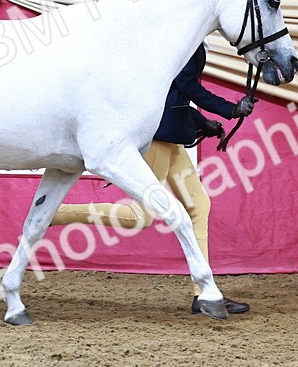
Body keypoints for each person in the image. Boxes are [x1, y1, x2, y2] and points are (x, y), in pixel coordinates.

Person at [50, 42, 254, 316]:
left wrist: (200, 121)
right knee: (140, 216)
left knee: (199, 205)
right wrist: (229, 109)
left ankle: (203, 292)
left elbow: (173, 94)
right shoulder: (184, 43)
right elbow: (185, 85)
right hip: (158, 139)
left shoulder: (187, 40)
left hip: (173, 138)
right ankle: (57, 213)